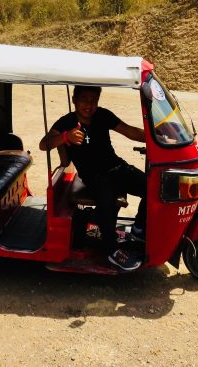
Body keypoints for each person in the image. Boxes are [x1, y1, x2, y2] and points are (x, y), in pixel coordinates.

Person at [38, 85, 147, 271]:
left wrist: (157, 139)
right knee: (108, 203)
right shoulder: (66, 122)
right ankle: (112, 251)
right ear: (74, 100)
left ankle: (138, 231)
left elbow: (129, 132)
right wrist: (66, 137)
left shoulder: (103, 115)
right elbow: (44, 144)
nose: (88, 105)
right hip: (95, 177)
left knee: (153, 188)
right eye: (83, 99)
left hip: (117, 167)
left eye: (93, 100)